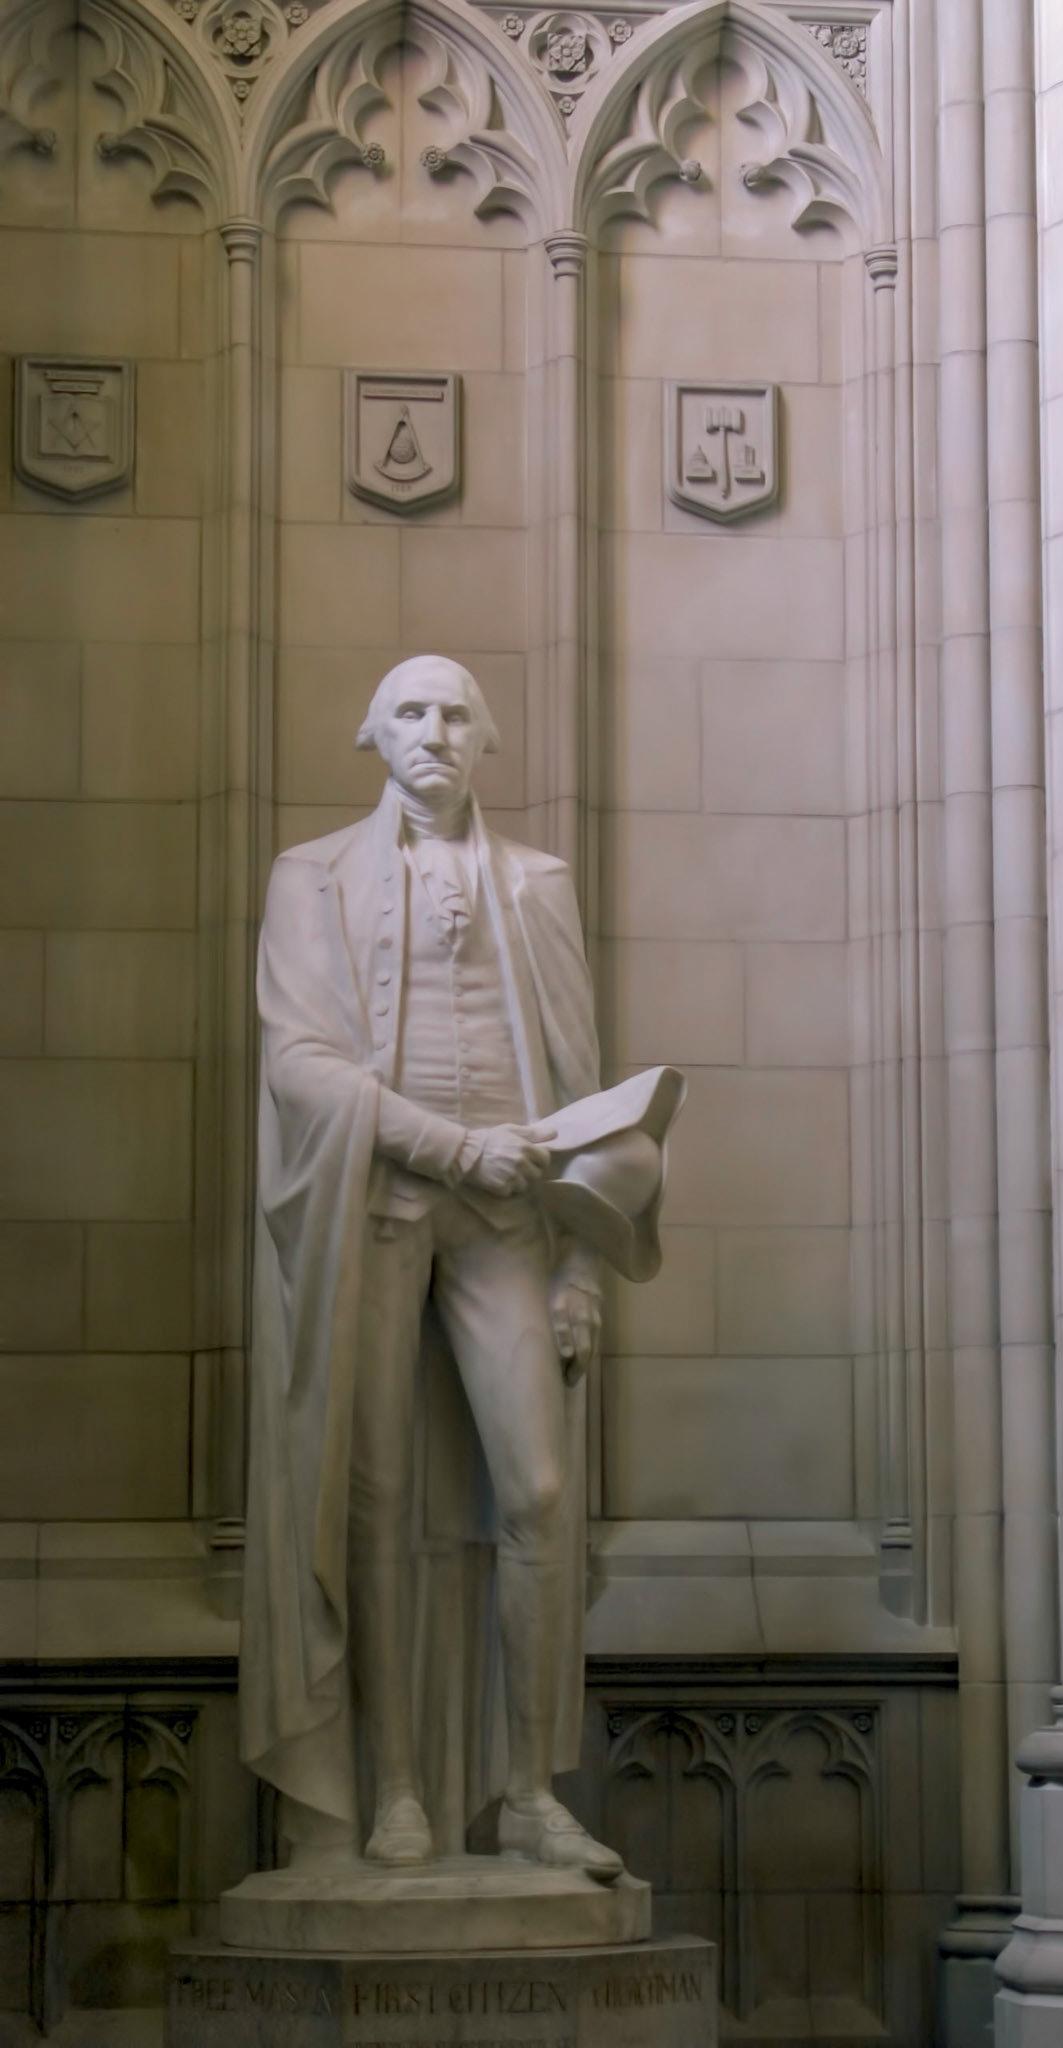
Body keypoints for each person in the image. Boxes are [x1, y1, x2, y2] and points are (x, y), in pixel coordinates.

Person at [240, 653, 661, 1882]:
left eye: (456, 711)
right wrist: (449, 1145)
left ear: (488, 739)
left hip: (511, 1219)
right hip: (379, 1201)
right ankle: (397, 1791)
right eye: (410, 710)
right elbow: (302, 1064)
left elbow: (583, 1092)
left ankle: (527, 1790)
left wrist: (581, 1271)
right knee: (371, 1496)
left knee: (533, 1491)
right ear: (371, 734)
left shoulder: (536, 884)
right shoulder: (307, 876)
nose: (435, 729)